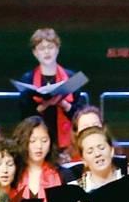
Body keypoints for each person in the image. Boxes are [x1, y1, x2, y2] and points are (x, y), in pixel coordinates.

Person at [16, 28, 89, 163]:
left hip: (67, 144)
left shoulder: (72, 77)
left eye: (50, 47)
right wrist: (46, 105)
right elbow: (25, 118)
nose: (46, 52)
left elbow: (80, 116)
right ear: (35, 53)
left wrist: (63, 103)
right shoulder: (27, 79)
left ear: (57, 49)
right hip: (38, 141)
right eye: (41, 48)